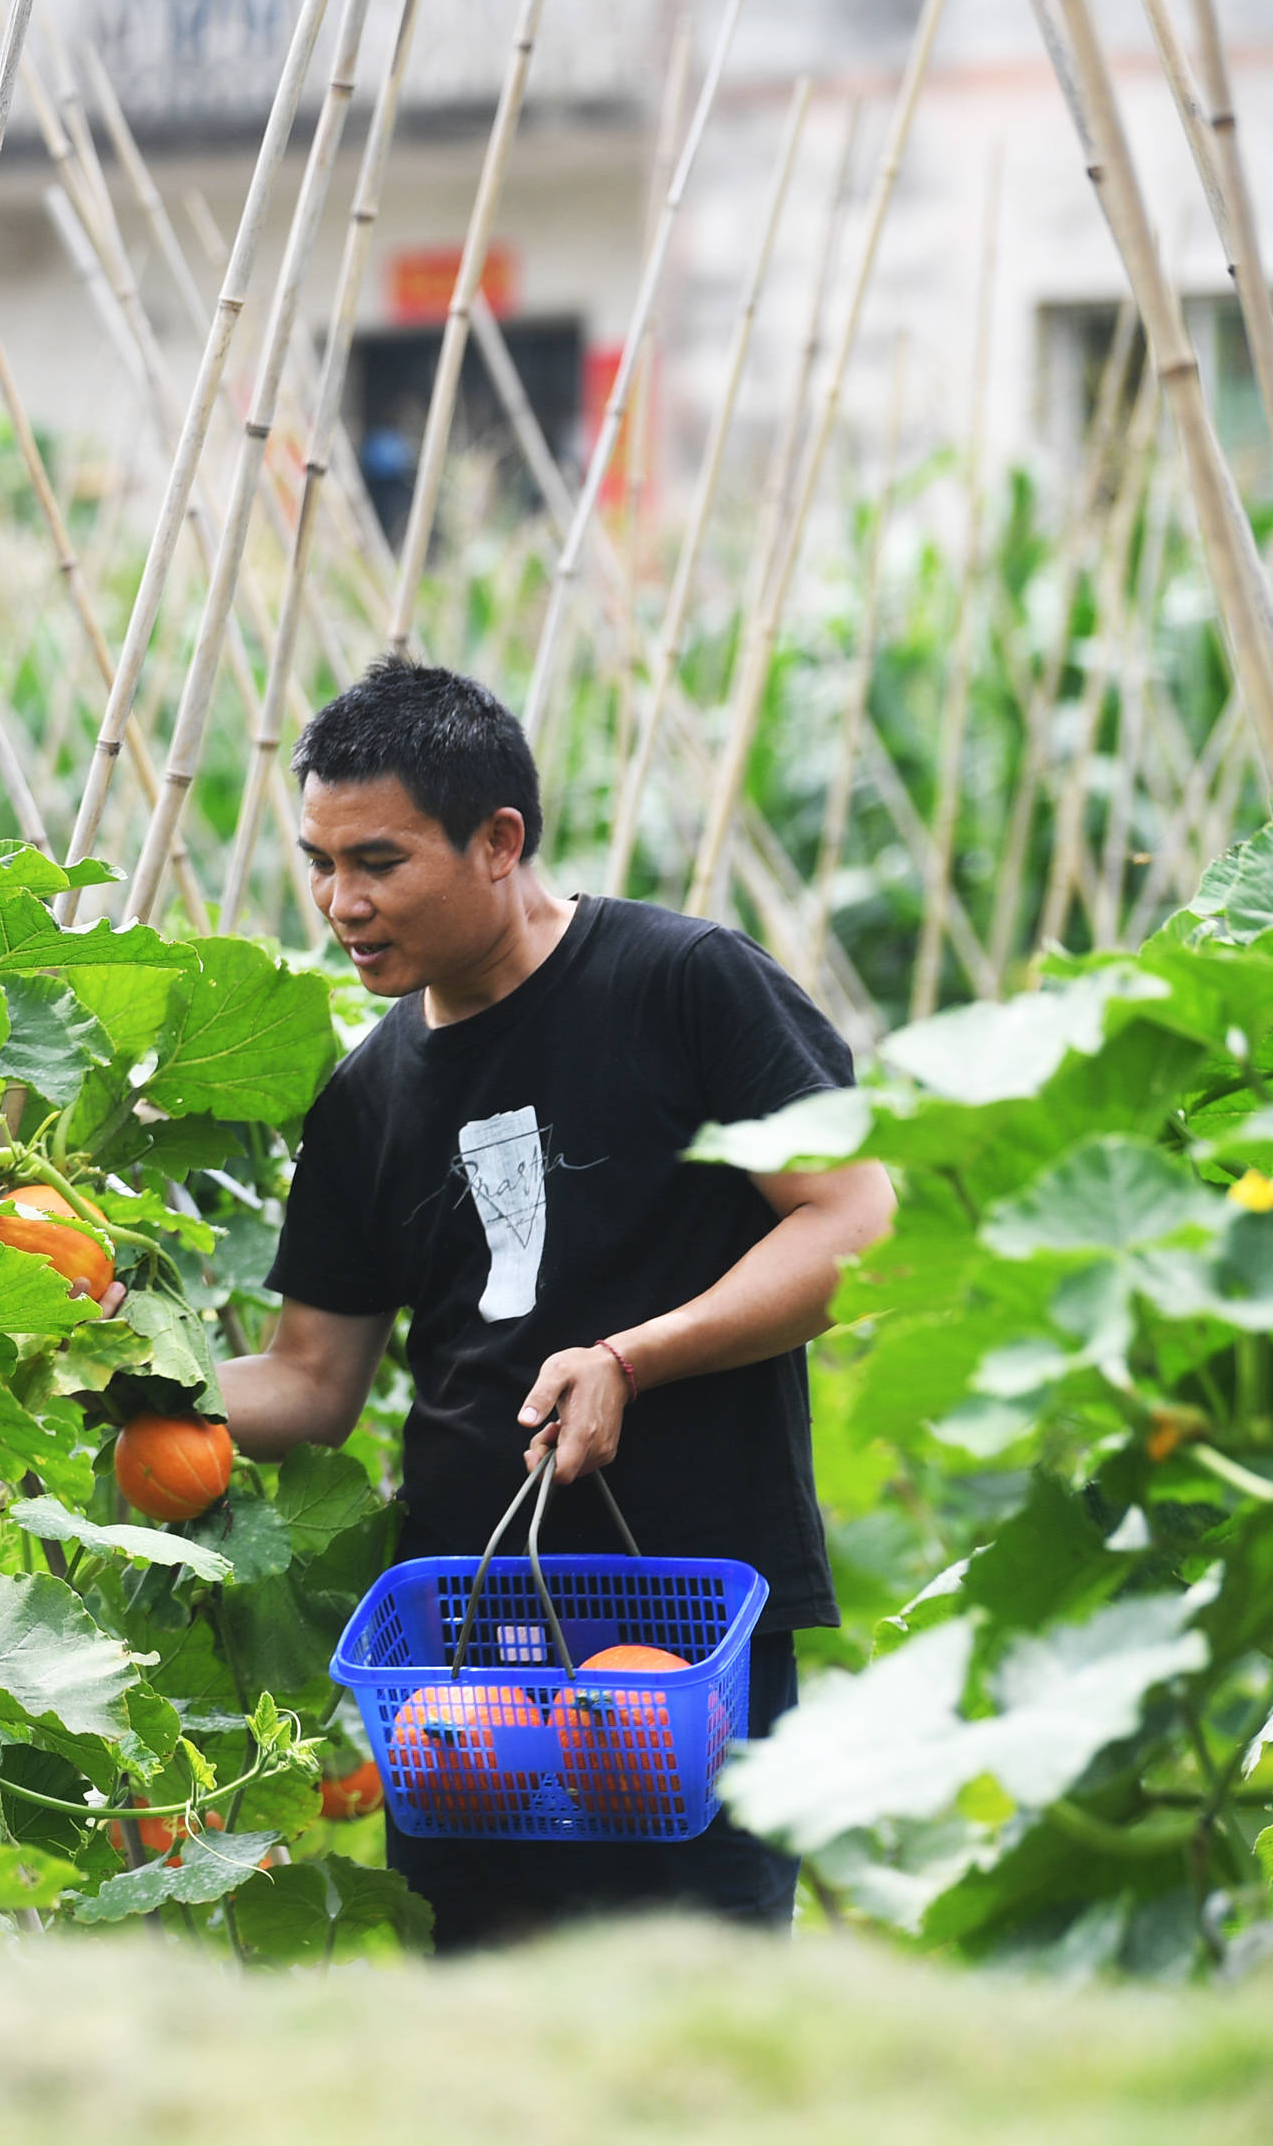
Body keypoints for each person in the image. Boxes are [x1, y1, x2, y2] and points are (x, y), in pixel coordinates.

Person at [216, 661, 892, 1951]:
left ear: (498, 841)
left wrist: (631, 1360)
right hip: (464, 1643)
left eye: (377, 862)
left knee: (702, 2017)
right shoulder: (368, 1096)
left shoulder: (680, 984)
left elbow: (850, 1219)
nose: (339, 905)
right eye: (318, 863)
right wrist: (116, 1385)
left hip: (688, 1616)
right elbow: (308, 1383)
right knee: (492, 2031)